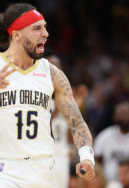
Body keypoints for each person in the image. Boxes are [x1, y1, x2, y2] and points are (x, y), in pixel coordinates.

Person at [0, 3, 95, 187]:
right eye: (37, 28)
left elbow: (77, 123)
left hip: (44, 170)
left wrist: (87, 156)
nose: (45, 33)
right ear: (17, 35)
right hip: (5, 171)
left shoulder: (53, 74)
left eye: (45, 27)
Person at [94, 101, 129, 181]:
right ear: (114, 116)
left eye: (126, 112)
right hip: (111, 183)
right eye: (120, 113)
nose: (123, 116)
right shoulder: (104, 136)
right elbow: (96, 162)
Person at [48, 54, 70, 188]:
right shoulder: (37, 96)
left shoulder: (66, 98)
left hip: (62, 155)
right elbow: (41, 124)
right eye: (51, 66)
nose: (55, 70)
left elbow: (70, 136)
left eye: (57, 66)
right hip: (43, 156)